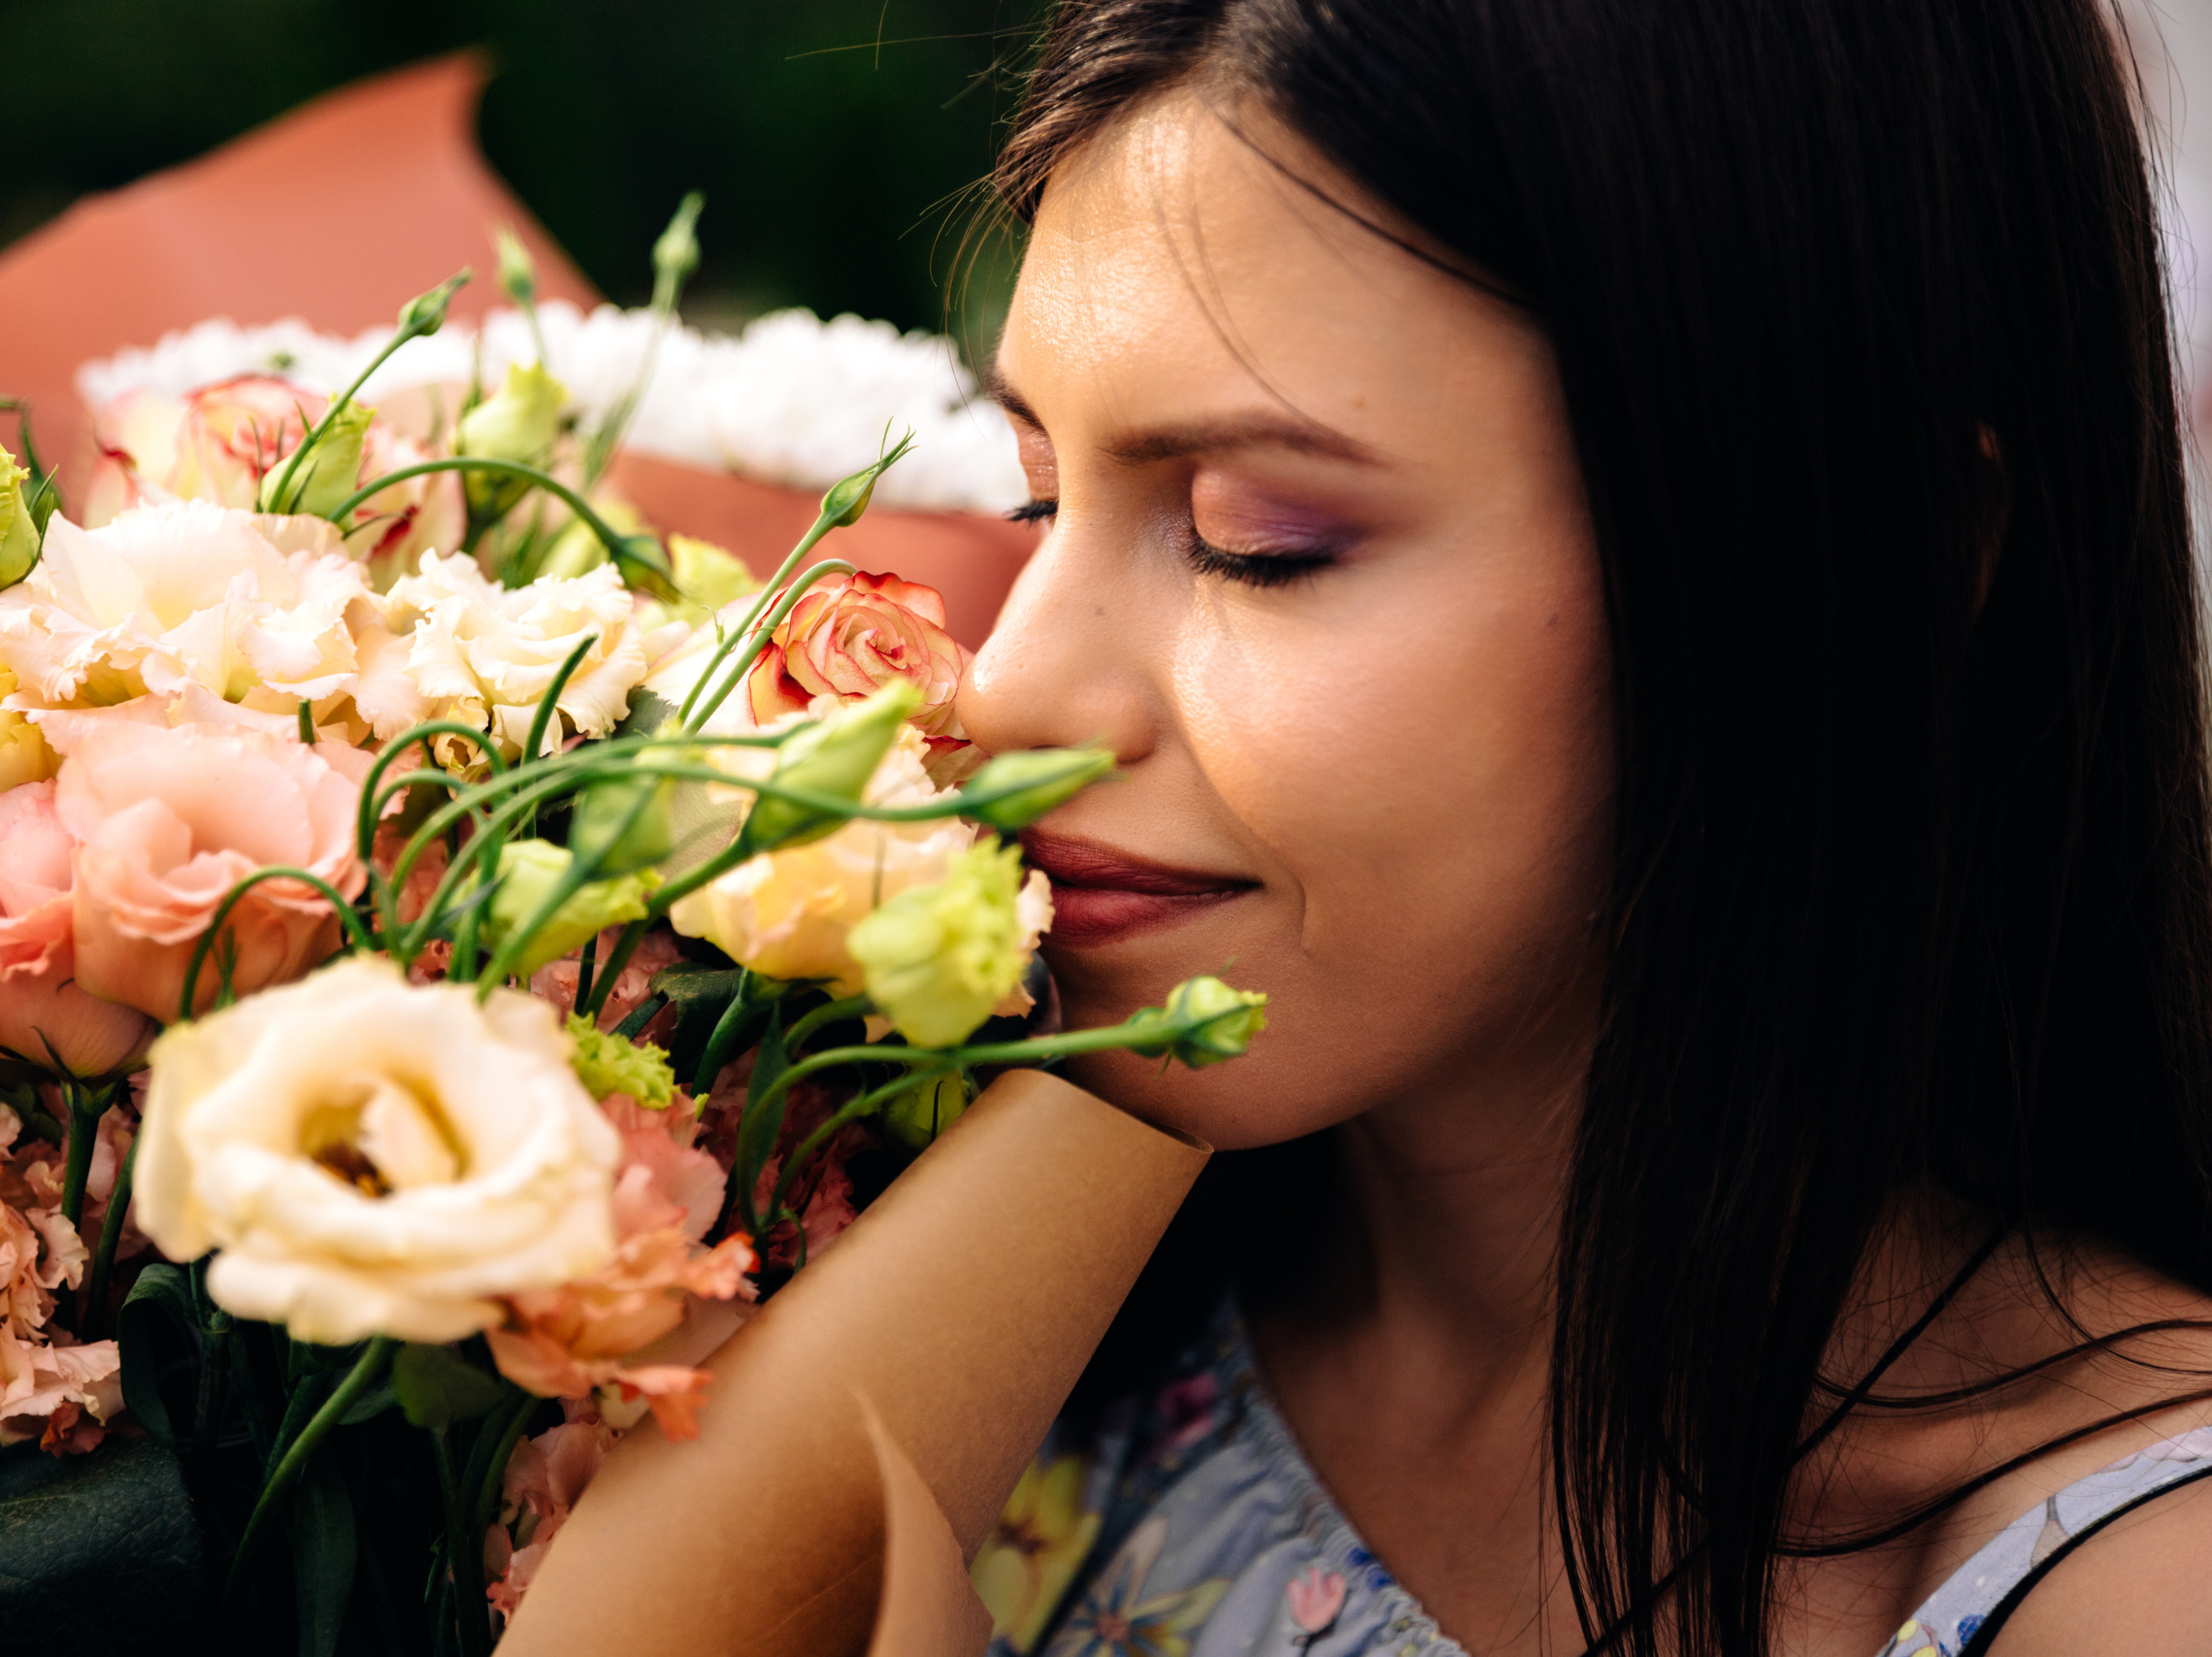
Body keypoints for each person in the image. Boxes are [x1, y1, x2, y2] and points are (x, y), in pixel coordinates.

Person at [946, 0, 2212, 1653]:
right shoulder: (968, 1312)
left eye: (1262, 537)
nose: (1008, 695)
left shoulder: (2119, 1582)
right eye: (1039, 498)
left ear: (1868, 571)